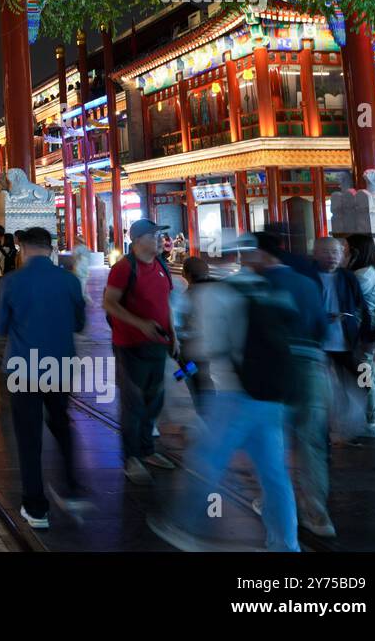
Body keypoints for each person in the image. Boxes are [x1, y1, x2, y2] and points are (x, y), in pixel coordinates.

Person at [149, 233, 301, 552]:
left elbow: (207, 348)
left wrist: (180, 370)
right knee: (274, 474)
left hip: (233, 392)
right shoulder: (266, 289)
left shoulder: (213, 295)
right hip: (272, 395)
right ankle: (286, 543)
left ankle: (183, 526)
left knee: (207, 461)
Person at [0, 226, 90, 529]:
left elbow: (0, 328)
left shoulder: (12, 281)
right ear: (50, 249)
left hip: (23, 367)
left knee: (28, 436)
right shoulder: (70, 280)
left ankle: (36, 508)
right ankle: (72, 485)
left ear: (22, 248)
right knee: (61, 422)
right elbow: (80, 323)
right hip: (59, 365)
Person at [242, 232, 334, 537]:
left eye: (248, 254)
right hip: (312, 366)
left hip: (275, 369)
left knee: (271, 442)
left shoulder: (258, 286)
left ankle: (275, 505)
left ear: (261, 255)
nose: (244, 260)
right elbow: (321, 327)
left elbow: (250, 334)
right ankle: (318, 516)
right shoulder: (307, 284)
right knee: (311, 443)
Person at [103, 218, 177, 485]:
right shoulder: (124, 268)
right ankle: (131, 457)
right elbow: (109, 303)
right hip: (130, 345)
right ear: (138, 240)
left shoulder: (161, 265)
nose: (160, 240)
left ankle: (147, 450)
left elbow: (166, 303)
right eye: (155, 235)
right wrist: (140, 324)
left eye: (160, 235)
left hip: (158, 344)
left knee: (154, 400)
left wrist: (174, 336)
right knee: (133, 403)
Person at [313, 235, 374, 439]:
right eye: (326, 252)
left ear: (341, 255)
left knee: (363, 380)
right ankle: (324, 428)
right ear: (315, 253)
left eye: (336, 252)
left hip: (346, 341)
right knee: (321, 388)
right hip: (318, 343)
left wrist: (367, 335)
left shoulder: (348, 277)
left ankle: (357, 424)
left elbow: (362, 307)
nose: (331, 256)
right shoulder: (308, 276)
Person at [346, 234, 375, 436]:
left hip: (363, 330)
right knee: (370, 373)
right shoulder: (372, 271)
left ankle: (370, 422)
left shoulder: (362, 274)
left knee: (365, 375)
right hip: (369, 329)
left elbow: (349, 301)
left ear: (356, 251)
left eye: (346, 248)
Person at [174, 256, 217, 416]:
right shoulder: (218, 292)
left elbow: (178, 324)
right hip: (213, 347)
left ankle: (207, 417)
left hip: (193, 350)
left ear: (186, 274)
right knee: (202, 378)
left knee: (195, 380)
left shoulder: (187, 296)